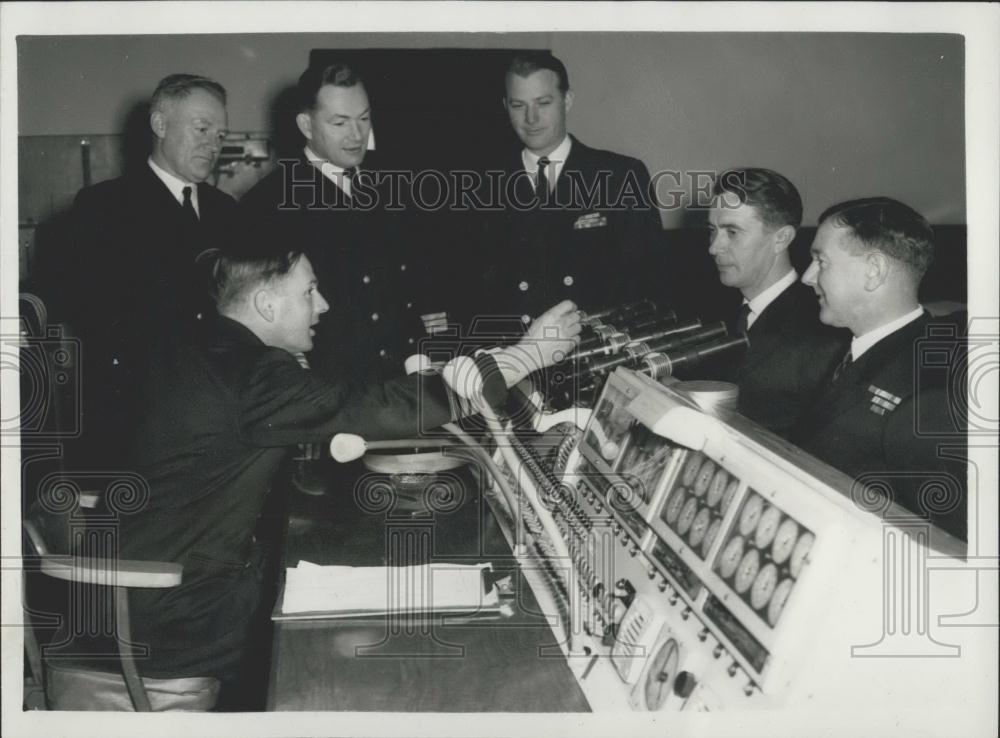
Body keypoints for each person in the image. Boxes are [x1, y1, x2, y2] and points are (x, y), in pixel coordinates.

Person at [114, 244, 581, 708]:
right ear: (266, 304)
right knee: (388, 659)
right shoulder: (252, 373)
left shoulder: (205, 351)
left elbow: (339, 396)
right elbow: (371, 408)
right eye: (310, 291)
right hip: (175, 620)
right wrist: (527, 355)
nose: (324, 305)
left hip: (158, 594)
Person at [64, 73, 238, 466]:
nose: (213, 144)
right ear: (160, 125)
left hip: (216, 412)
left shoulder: (227, 211)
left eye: (221, 135)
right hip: (137, 413)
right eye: (202, 128)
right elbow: (96, 314)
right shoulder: (104, 207)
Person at [240, 62, 424, 383]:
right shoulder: (267, 203)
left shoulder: (392, 184)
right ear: (306, 126)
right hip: (329, 391)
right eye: (340, 123)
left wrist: (420, 366)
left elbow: (406, 288)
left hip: (401, 382)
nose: (357, 135)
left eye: (364, 119)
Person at [795, 197, 966, 540]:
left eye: (820, 261)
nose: (807, 276)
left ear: (873, 270)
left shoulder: (930, 391)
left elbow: (946, 544)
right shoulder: (847, 349)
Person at [483, 51, 663, 326]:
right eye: (519, 105)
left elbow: (650, 285)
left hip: (595, 354)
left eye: (543, 103)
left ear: (567, 101)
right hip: (515, 355)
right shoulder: (484, 184)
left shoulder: (620, 175)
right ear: (505, 105)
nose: (531, 118)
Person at [705, 168, 846, 435]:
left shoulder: (823, 329)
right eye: (712, 230)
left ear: (781, 238)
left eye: (732, 232)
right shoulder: (714, 309)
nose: (714, 247)